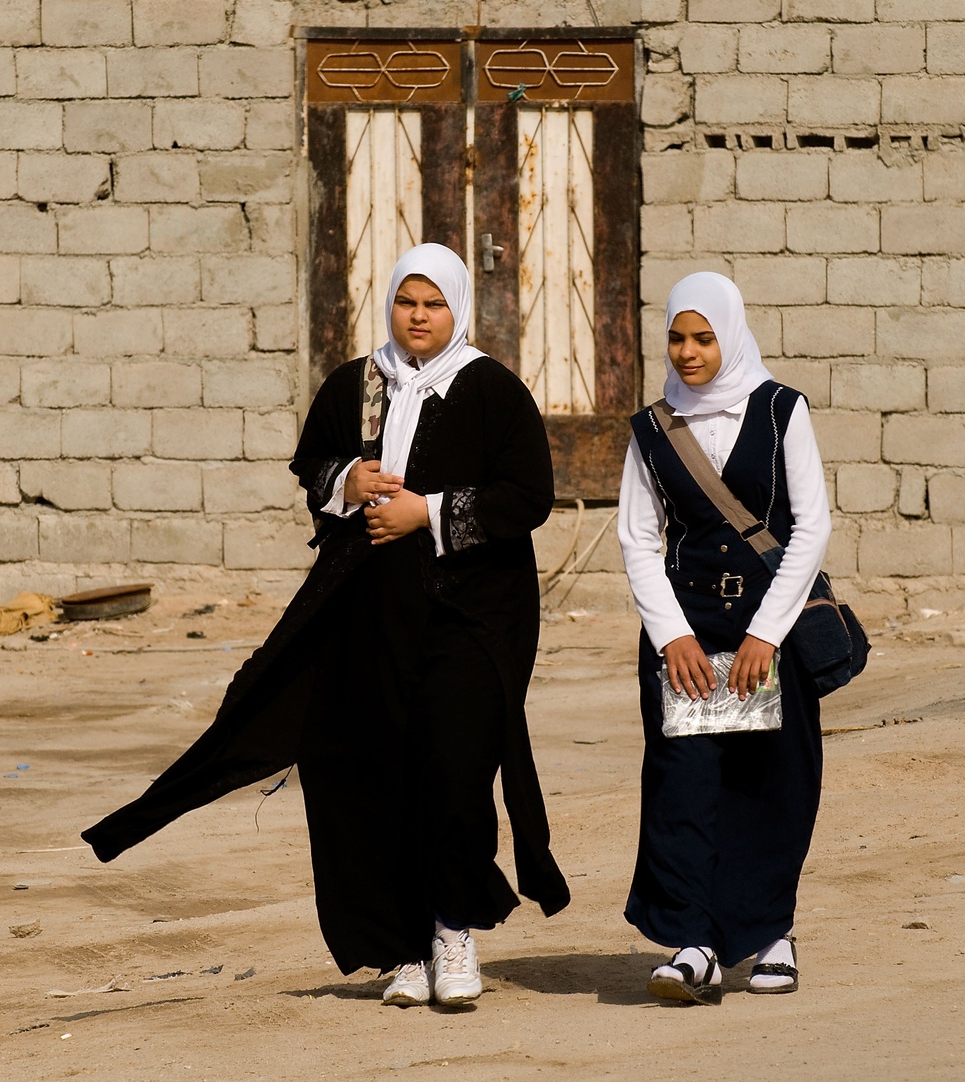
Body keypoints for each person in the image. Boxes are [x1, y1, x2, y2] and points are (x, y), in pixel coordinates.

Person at [83, 243, 569, 1008]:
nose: (418, 317)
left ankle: (452, 932)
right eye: (407, 302)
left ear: (458, 310)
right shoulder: (357, 384)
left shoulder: (492, 392)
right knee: (370, 775)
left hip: (469, 618)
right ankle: (402, 949)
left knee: (454, 769)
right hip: (366, 617)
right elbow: (311, 464)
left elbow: (527, 497)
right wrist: (347, 479)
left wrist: (428, 513)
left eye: (433, 304)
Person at [618, 272, 831, 1005]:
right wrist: (671, 634)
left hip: (767, 629)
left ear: (731, 336)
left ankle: (771, 932)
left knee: (772, 780)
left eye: (703, 338)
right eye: (677, 337)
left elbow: (811, 527)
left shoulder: (780, 411)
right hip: (686, 629)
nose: (687, 352)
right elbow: (639, 539)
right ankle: (695, 943)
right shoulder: (651, 427)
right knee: (685, 783)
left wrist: (766, 635)